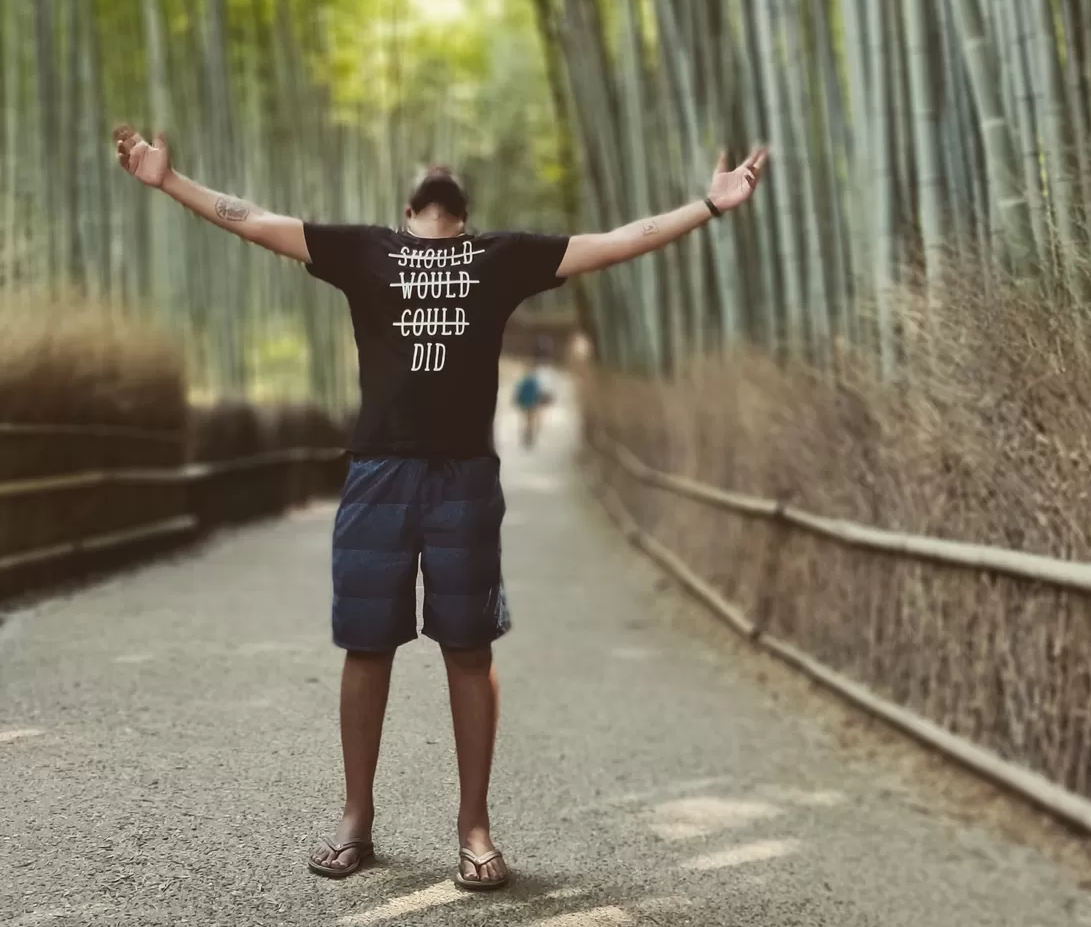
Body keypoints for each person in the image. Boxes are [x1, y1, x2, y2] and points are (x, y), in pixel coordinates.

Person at [112, 125, 768, 891]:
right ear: (408, 208)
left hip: (463, 479)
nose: (439, 180)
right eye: (430, 179)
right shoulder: (364, 250)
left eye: (447, 180)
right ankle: (356, 820)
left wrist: (709, 207)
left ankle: (475, 827)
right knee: (367, 644)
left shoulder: (503, 257)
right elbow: (251, 219)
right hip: (379, 475)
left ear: (461, 210)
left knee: (469, 648)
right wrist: (170, 181)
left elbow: (622, 240)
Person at [512, 360, 550, 448]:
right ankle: (529, 436)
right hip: (532, 404)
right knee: (530, 421)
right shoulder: (534, 382)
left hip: (525, 404)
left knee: (527, 421)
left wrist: (517, 401)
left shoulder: (524, 381)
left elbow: (519, 392)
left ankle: (527, 436)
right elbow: (538, 393)